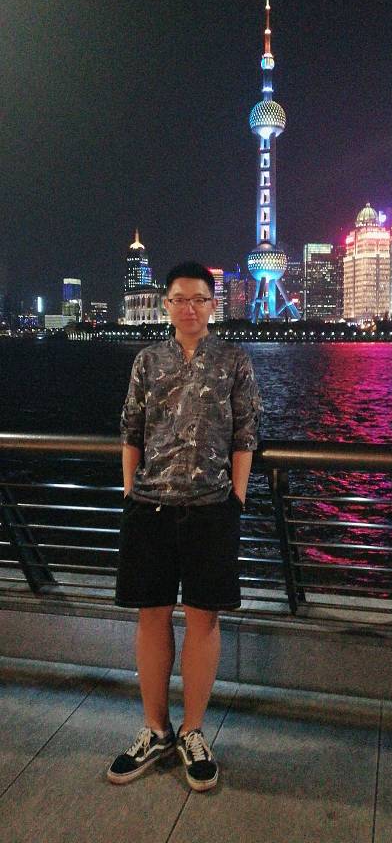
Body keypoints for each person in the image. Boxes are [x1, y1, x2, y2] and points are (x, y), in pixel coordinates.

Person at [107, 261, 261, 791]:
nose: (189, 308)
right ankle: (156, 730)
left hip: (211, 507)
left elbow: (246, 433)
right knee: (151, 617)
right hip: (149, 507)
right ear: (167, 305)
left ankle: (193, 731)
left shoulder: (234, 360)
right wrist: (130, 490)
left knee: (203, 620)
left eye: (199, 299)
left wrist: (236, 499)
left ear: (213, 305)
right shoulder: (148, 361)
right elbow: (131, 429)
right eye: (180, 299)